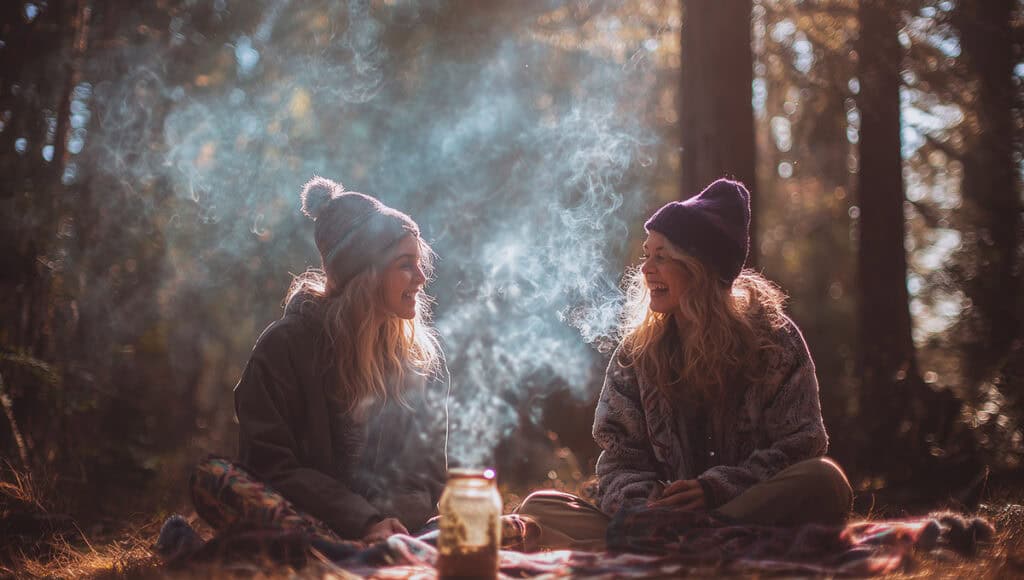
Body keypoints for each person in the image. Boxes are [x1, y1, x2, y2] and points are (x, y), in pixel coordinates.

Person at [515, 178, 853, 551]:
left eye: (662, 256)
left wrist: (715, 490)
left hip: (742, 509)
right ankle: (683, 540)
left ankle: (681, 541)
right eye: (646, 255)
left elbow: (802, 445)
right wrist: (644, 507)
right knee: (541, 506)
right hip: (659, 520)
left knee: (825, 481)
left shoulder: (774, 341)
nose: (646, 269)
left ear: (699, 267)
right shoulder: (637, 353)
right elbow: (619, 460)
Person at [190, 176, 445, 545]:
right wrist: (360, 520)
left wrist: (383, 522)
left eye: (419, 263)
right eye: (406, 265)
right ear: (366, 275)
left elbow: (428, 475)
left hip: (394, 529)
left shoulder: (418, 359)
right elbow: (269, 465)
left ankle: (346, 552)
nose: (421, 278)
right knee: (214, 478)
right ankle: (336, 549)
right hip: (306, 521)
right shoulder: (283, 348)